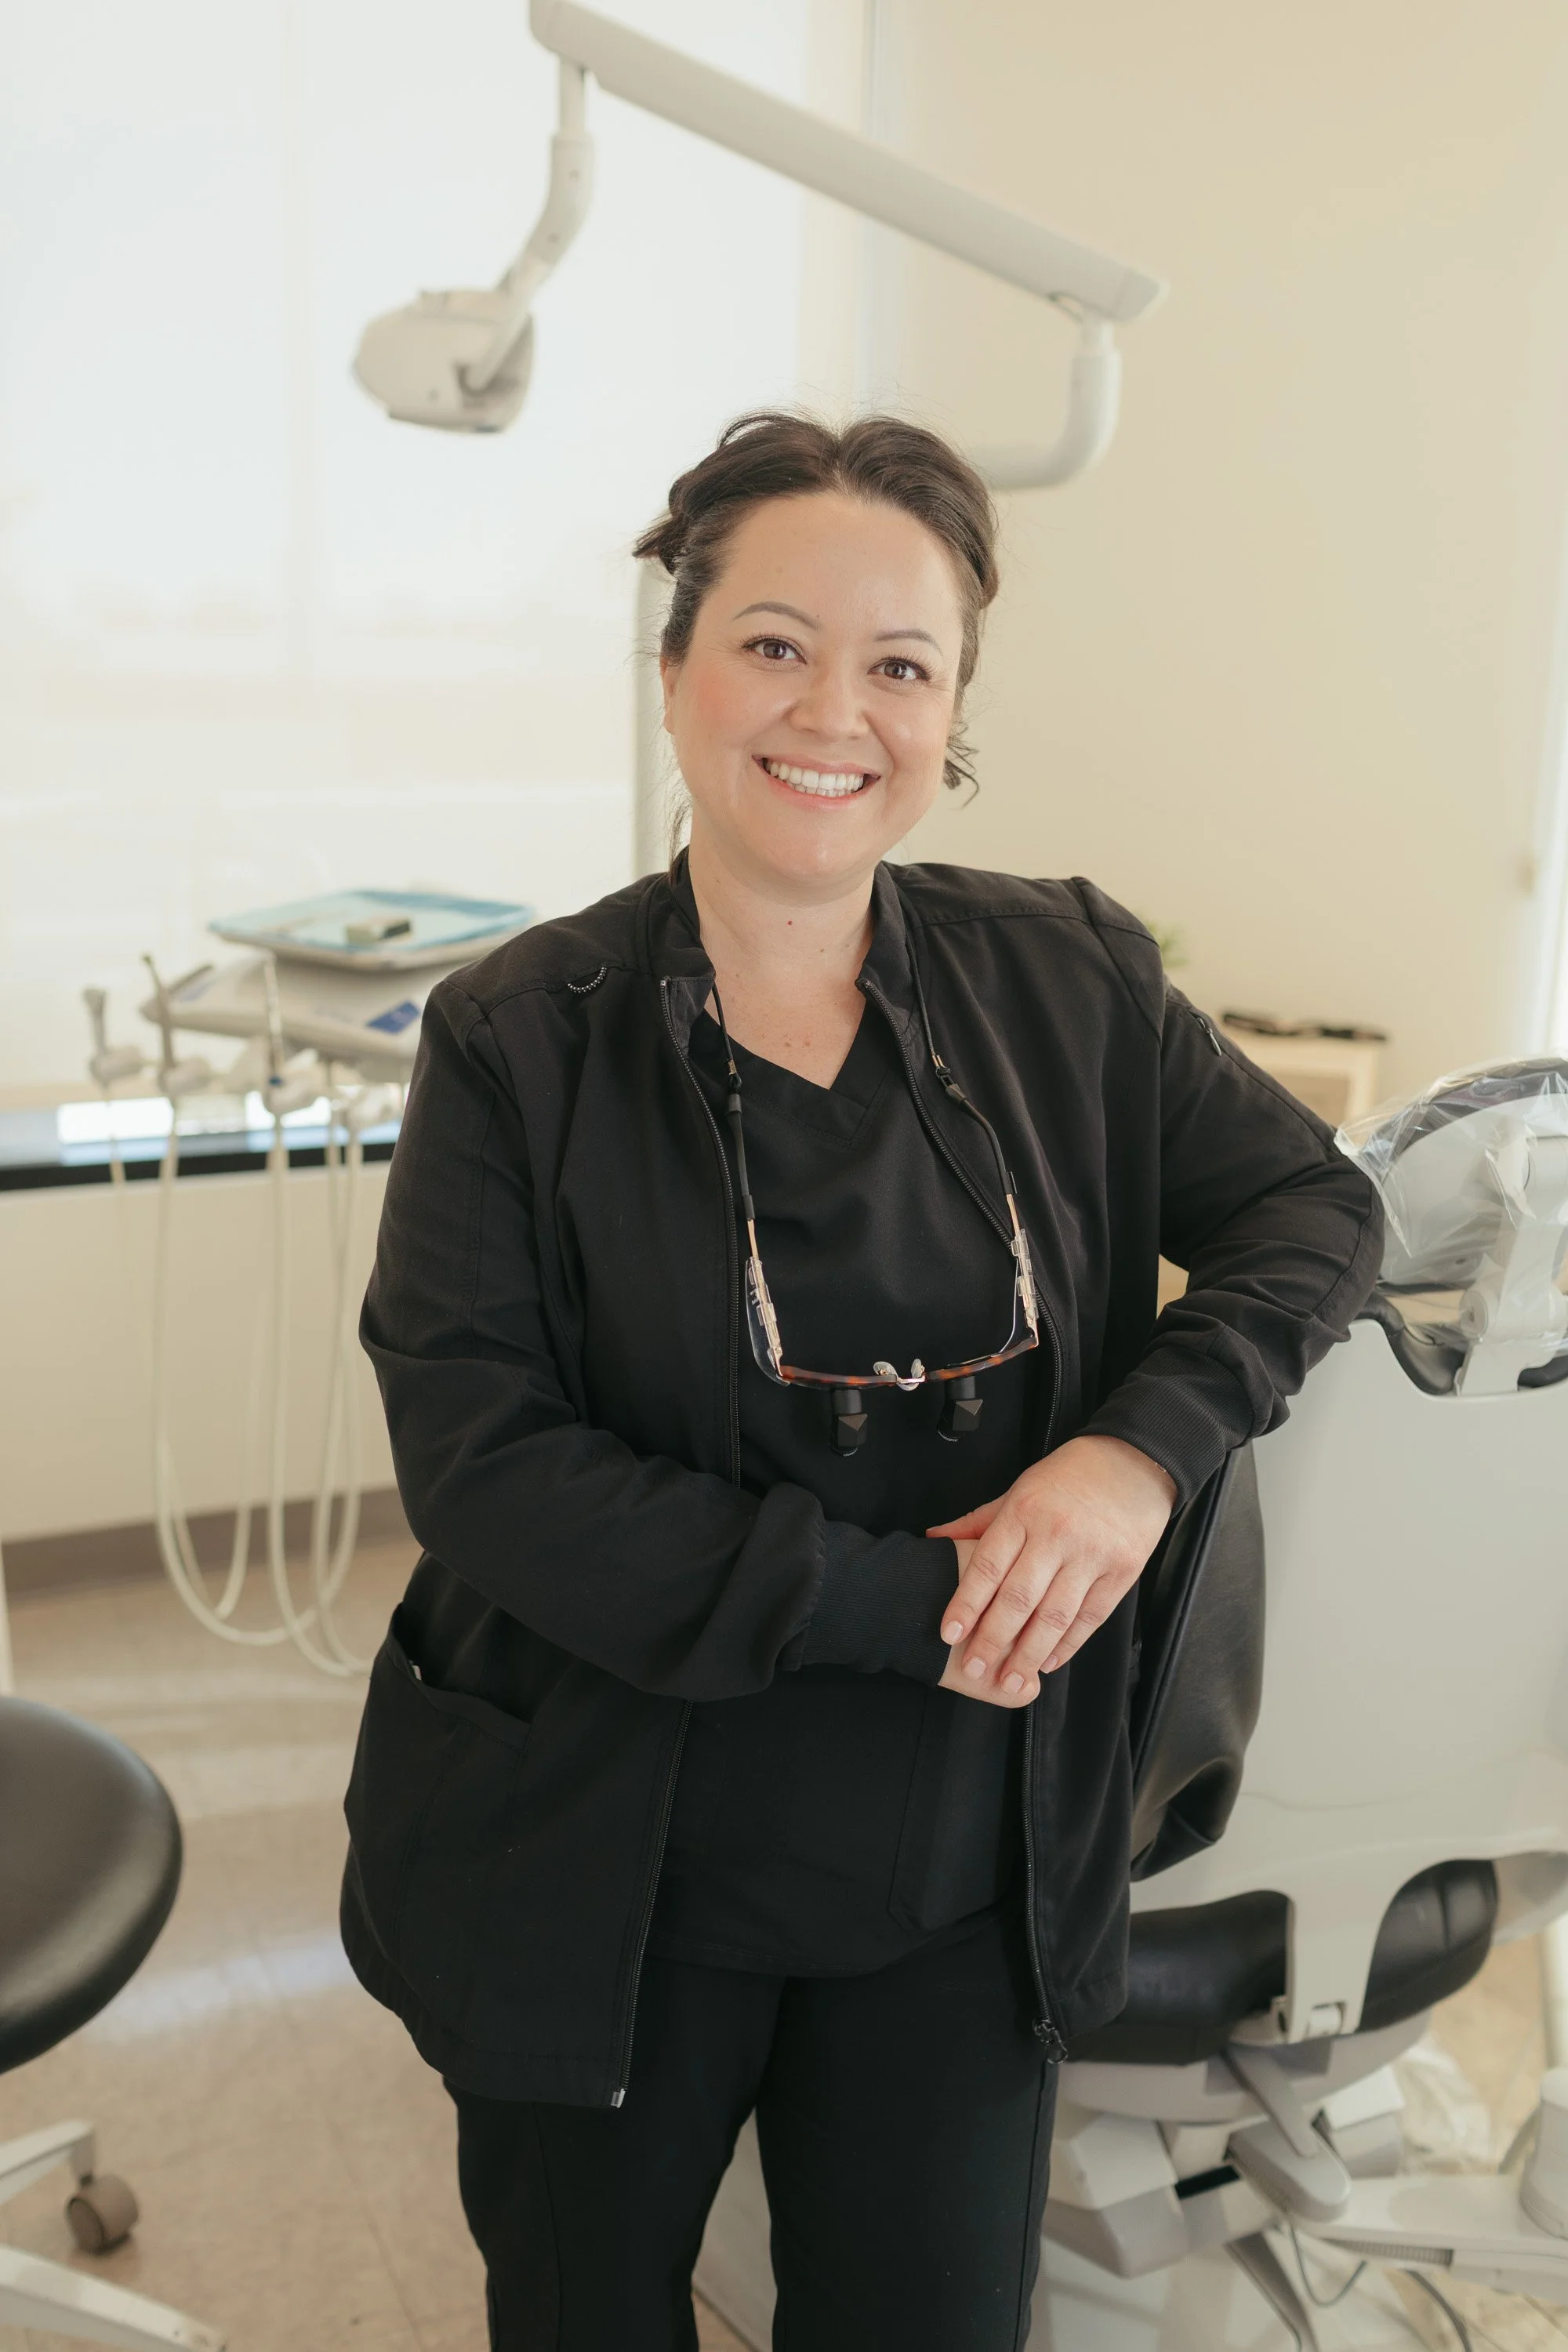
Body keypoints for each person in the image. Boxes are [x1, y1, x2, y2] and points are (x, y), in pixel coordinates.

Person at [341, 411, 1383, 2352]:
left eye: (901, 665)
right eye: (774, 643)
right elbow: (483, 1460)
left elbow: (1313, 1214)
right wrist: (919, 1602)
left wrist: (1135, 1458)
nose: (837, 710)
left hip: (962, 1867)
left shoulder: (1066, 978)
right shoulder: (518, 1036)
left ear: (951, 709)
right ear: (675, 672)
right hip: (611, 1854)